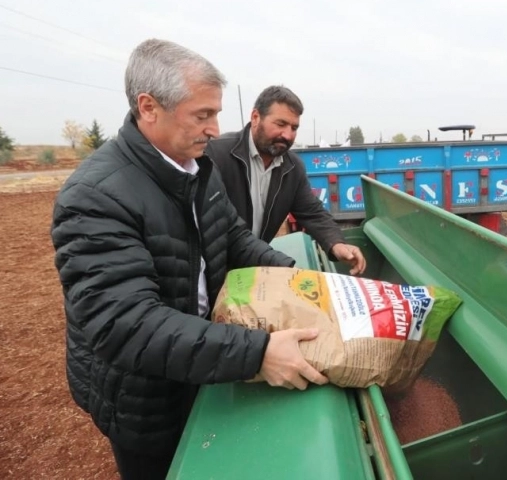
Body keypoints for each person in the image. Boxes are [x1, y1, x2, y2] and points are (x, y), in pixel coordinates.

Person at [50, 39, 328, 480]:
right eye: (203, 115)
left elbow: (232, 236)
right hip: (144, 395)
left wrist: (294, 277)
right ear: (149, 107)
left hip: (199, 360)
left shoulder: (195, 167)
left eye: (216, 113)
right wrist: (257, 354)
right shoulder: (95, 197)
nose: (215, 129)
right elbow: (128, 325)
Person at [206, 85, 367, 275]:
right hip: (213, 271)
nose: (288, 135)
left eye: (294, 127)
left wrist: (337, 244)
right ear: (256, 117)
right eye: (280, 124)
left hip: (251, 268)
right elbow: (220, 227)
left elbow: (312, 212)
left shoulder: (292, 167)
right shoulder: (217, 155)